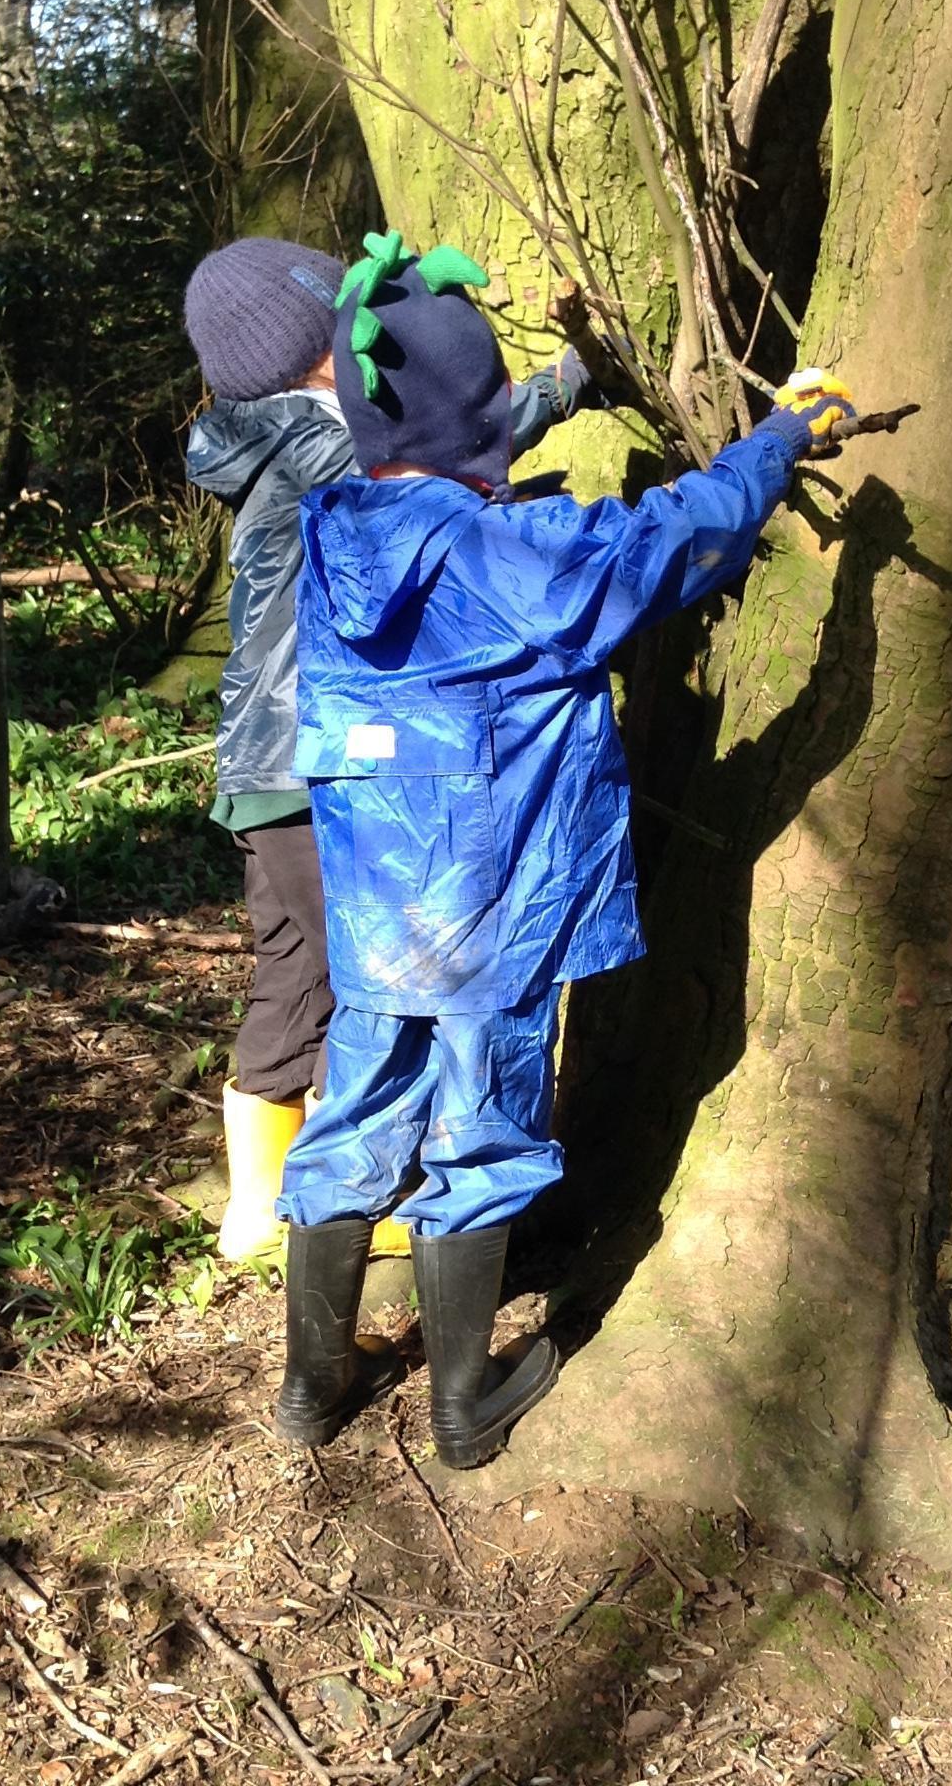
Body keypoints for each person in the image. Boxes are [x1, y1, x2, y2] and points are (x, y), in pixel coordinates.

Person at [272, 228, 856, 1464]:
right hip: (488, 909)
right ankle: (461, 1406)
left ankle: (310, 1391)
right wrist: (779, 437)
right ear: (473, 418)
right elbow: (663, 542)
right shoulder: (501, 555)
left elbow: (447, 517)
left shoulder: (330, 532)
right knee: (483, 1127)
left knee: (355, 1114)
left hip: (380, 913)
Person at [181, 236, 595, 1266]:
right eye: (352, 324)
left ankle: (256, 1212)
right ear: (319, 352)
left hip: (262, 767)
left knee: (296, 975)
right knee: (380, 984)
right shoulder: (322, 438)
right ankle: (364, 1215)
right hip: (321, 757)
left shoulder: (262, 440)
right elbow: (452, 440)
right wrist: (567, 382)